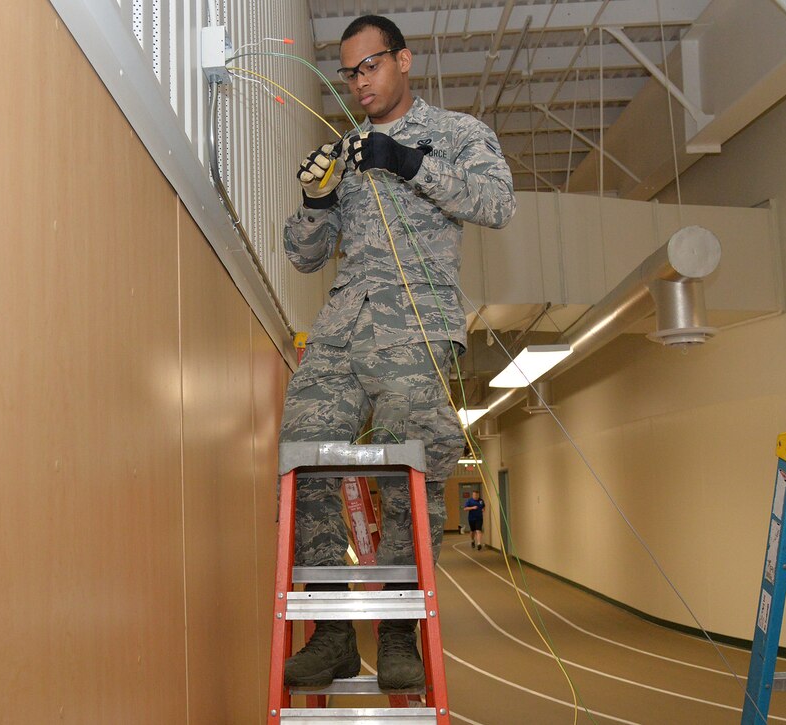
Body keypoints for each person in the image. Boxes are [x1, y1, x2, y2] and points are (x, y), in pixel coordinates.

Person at [279, 14, 515, 692]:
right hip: (343, 324)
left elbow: (497, 201)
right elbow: (305, 255)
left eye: (370, 66)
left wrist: (410, 163)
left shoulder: (455, 133)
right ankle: (329, 636)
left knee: (409, 455)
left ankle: (398, 630)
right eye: (350, 73)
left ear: (403, 60)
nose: (359, 83)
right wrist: (312, 198)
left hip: (415, 320)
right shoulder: (345, 148)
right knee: (302, 451)